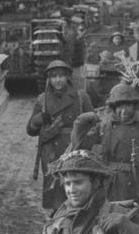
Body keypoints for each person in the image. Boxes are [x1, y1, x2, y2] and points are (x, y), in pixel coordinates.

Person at [27, 60, 94, 210]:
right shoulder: (42, 99)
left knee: (75, 187)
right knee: (55, 190)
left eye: (61, 76)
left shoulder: (80, 97)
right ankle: (56, 221)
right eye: (53, 77)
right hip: (50, 151)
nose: (57, 80)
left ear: (68, 77)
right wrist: (37, 120)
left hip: (74, 149)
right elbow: (30, 131)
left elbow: (93, 123)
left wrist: (83, 140)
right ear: (48, 79)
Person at [70, 83, 139, 203]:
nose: (124, 111)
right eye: (119, 106)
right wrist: (80, 123)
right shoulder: (103, 127)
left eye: (128, 105)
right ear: (113, 107)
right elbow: (81, 145)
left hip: (132, 183)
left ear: (134, 105)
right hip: (106, 181)